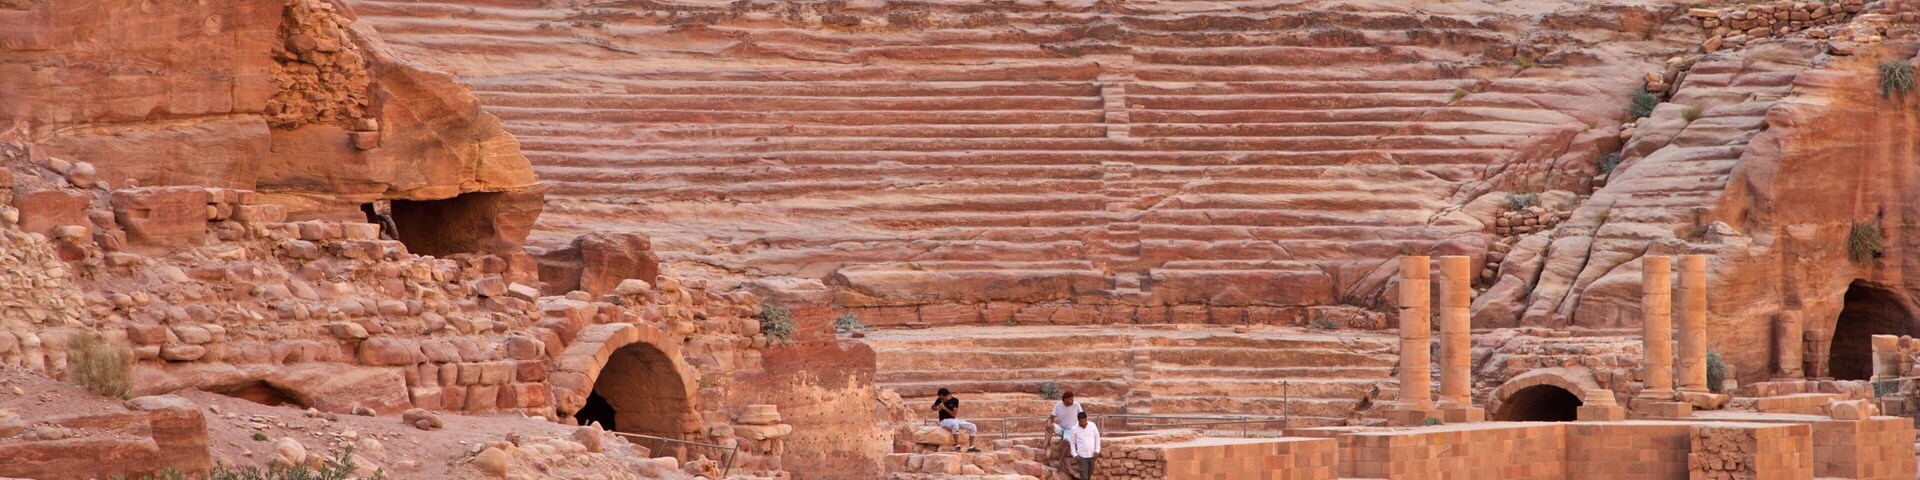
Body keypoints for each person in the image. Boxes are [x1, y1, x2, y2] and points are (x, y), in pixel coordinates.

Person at [932, 388, 980, 452]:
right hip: (944, 420)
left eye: (942, 398)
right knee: (955, 425)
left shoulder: (955, 400)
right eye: (940, 398)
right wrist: (937, 408)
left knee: (973, 426)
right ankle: (957, 446)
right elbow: (933, 407)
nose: (941, 400)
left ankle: (971, 447)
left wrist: (944, 408)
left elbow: (954, 414)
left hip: (954, 419)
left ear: (947, 395)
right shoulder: (939, 400)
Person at [1068, 411, 1100, 480]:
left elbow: (1097, 438)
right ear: (1078, 420)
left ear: (1086, 419)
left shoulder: (1092, 425)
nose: (1083, 423)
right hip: (1082, 456)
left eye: (1084, 421)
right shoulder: (1074, 429)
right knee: (1084, 476)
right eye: (1081, 421)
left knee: (1089, 475)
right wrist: (1074, 454)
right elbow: (1072, 442)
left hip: (1092, 455)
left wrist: (1097, 450)